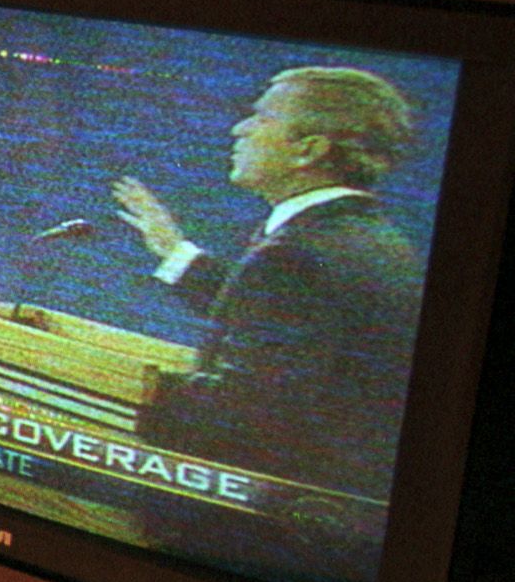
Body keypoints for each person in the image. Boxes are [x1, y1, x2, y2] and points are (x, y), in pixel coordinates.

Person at [111, 66, 426, 493]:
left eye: (260, 117)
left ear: (308, 149)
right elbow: (282, 326)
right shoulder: (374, 242)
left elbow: (246, 416)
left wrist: (126, 386)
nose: (239, 129)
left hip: (262, 523)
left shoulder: (297, 257)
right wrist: (174, 250)